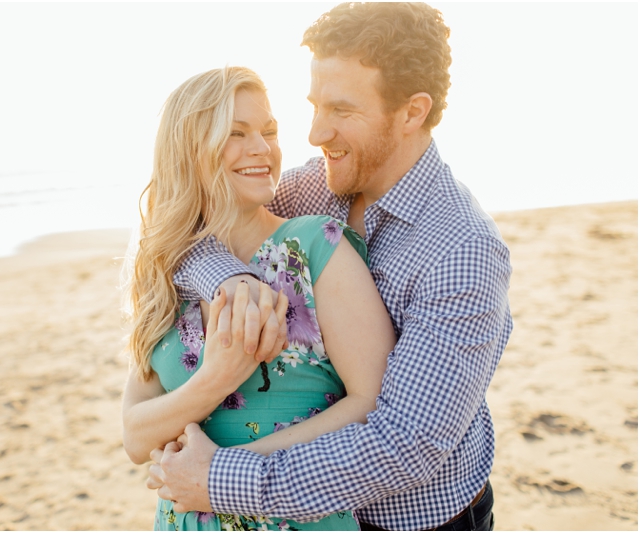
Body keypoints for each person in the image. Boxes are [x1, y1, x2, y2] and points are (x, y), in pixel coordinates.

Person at [148, 3, 513, 531]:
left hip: (413, 521)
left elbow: (405, 444)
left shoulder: (462, 252)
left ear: (412, 112)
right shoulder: (315, 188)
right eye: (314, 105)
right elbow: (198, 223)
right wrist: (228, 277)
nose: (316, 133)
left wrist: (218, 480)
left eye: (341, 110)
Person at [122, 67, 396, 530]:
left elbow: (372, 402)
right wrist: (213, 380)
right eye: (236, 133)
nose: (262, 149)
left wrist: (217, 473)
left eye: (268, 131)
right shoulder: (168, 270)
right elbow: (134, 434)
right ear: (190, 152)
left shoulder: (316, 247)